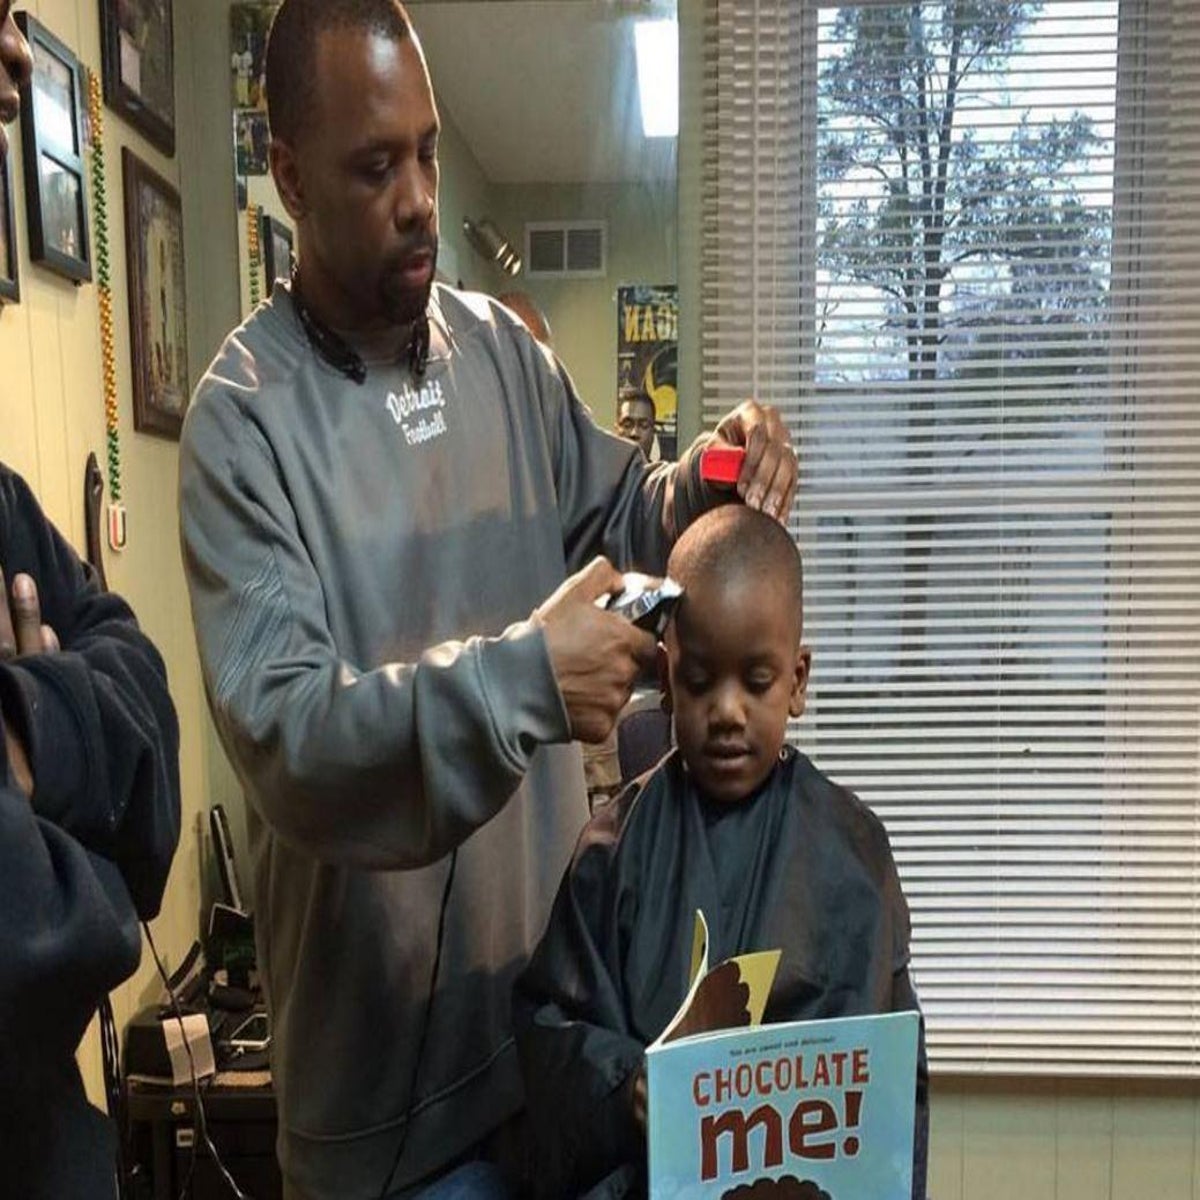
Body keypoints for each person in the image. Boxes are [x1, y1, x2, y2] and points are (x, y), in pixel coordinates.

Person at [178, 2, 796, 1197]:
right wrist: (525, 681)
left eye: (427, 151)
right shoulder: (241, 427)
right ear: (290, 178)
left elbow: (629, 512)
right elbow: (293, 741)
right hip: (385, 1126)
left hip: (555, 1049)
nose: (418, 196)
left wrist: (716, 476)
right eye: (374, 166)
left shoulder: (500, 355)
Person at [514, 505, 928, 1199]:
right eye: (702, 682)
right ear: (668, 675)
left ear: (796, 681)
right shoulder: (613, 854)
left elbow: (892, 1079)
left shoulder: (852, 853)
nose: (728, 710)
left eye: (756, 682)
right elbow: (552, 1032)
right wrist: (629, 1086)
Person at [0, 17, 182, 1194]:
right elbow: (67, 938)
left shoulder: (7, 508)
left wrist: (28, 738)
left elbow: (152, 717)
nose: (17, 59)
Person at [616, 387, 659, 461]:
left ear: (653, 432)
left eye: (643, 426)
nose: (634, 433)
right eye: (627, 425)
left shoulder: (661, 472)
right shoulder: (601, 471)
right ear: (616, 430)